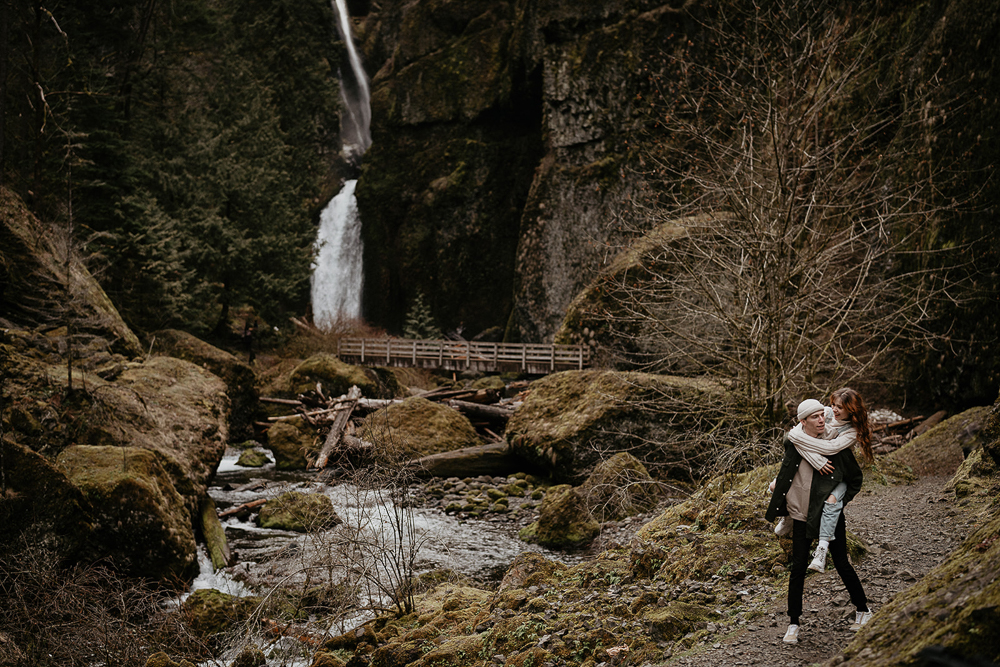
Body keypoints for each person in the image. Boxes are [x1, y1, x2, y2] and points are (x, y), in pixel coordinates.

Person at [765, 398, 873, 644]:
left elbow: (855, 478)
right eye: (814, 417)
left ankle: (863, 610)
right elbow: (785, 472)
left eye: (821, 415)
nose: (822, 419)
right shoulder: (795, 444)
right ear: (803, 422)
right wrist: (776, 489)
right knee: (798, 568)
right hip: (800, 514)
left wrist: (838, 500)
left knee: (842, 562)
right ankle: (793, 624)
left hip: (827, 515)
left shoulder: (836, 446)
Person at [784, 388, 875, 573]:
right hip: (825, 472)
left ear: (851, 409)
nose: (834, 409)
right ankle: (787, 518)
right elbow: (799, 432)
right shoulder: (825, 413)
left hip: (841, 474)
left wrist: (796, 438)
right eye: (833, 404)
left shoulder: (852, 431)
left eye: (840, 407)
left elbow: (830, 448)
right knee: (789, 482)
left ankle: (822, 549)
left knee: (831, 502)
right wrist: (798, 439)